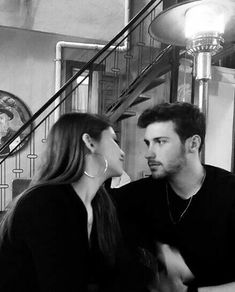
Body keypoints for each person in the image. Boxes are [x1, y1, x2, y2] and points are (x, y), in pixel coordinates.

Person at [112, 102, 235, 292]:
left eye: (161, 142)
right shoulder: (135, 196)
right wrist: (159, 250)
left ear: (193, 143)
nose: (148, 154)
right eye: (148, 143)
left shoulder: (228, 193)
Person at [0, 112, 125, 292]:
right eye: (114, 140)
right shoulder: (44, 203)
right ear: (89, 142)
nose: (122, 152)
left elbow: (112, 273)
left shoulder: (100, 204)